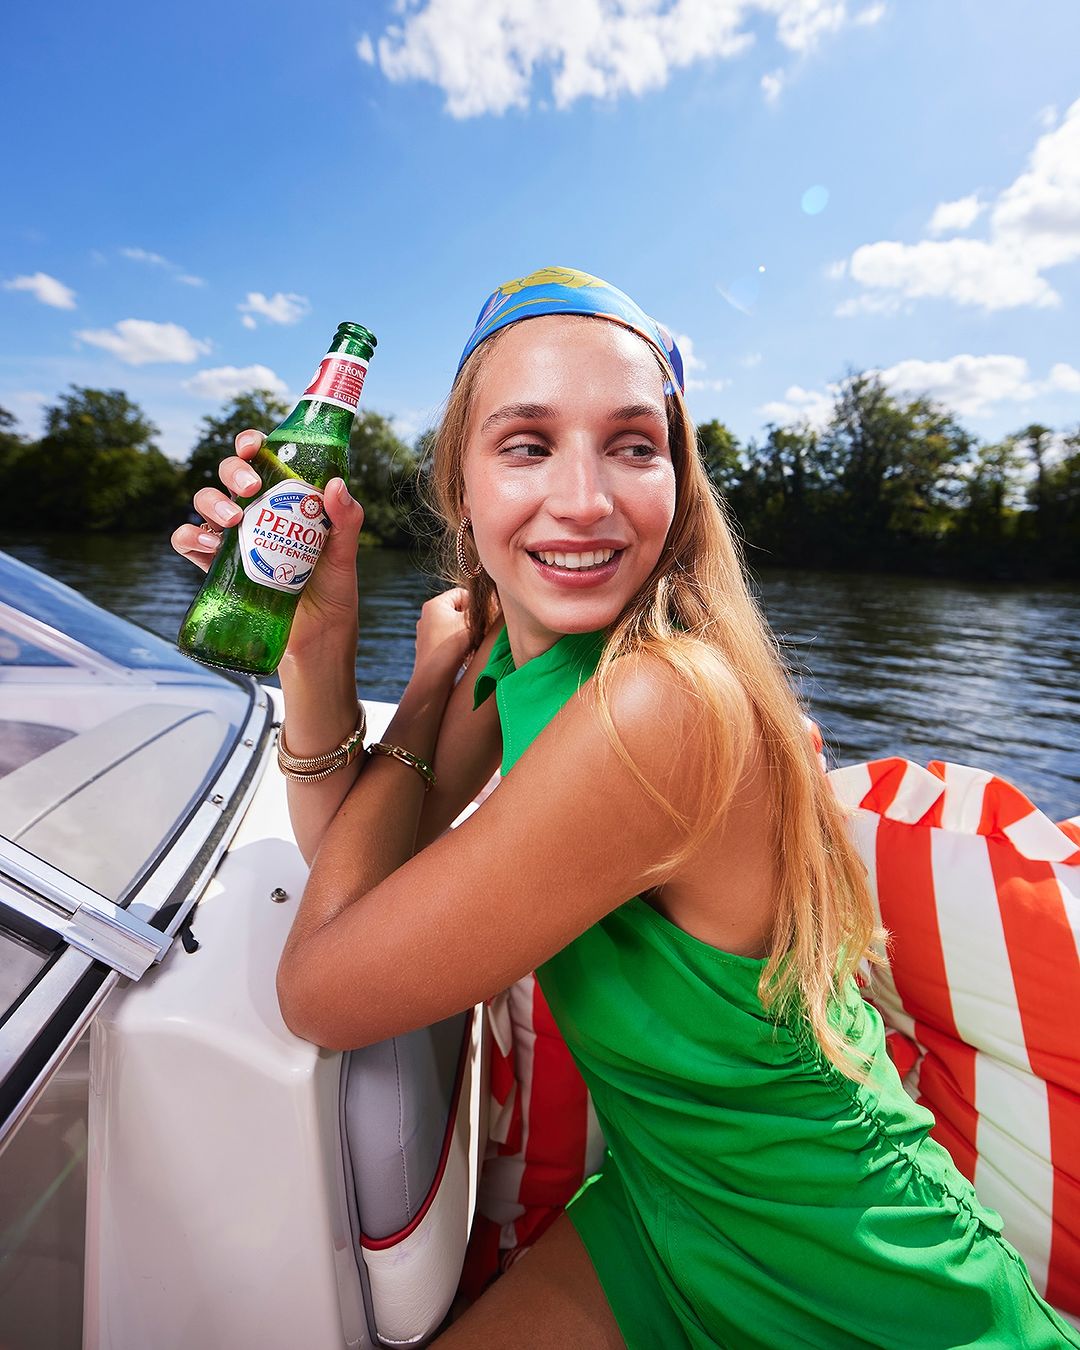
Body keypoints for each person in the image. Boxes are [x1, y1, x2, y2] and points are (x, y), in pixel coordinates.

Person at [172, 266, 1079, 1348]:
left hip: (843, 1266)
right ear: (460, 486)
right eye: (527, 443)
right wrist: (319, 642)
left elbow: (321, 989)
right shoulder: (515, 652)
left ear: (678, 484)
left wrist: (417, 693)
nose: (585, 498)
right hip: (666, 1202)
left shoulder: (662, 707)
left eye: (633, 444)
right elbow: (349, 865)